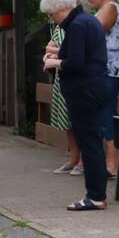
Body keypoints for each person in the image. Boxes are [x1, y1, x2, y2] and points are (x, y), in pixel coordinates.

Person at [39, 0, 109, 211]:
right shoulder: (87, 21)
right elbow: (82, 54)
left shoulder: (77, 25)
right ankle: (96, 194)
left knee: (89, 143)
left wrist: (53, 63)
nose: (53, 19)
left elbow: (77, 62)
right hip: (93, 86)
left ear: (62, 8)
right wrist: (58, 54)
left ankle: (96, 196)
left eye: (52, 13)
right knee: (92, 141)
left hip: (84, 89)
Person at [83, 0, 119, 178]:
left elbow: (94, 32)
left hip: (111, 68)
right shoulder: (101, 10)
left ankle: (112, 164)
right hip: (101, 68)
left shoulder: (110, 7)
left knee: (107, 112)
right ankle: (106, 162)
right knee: (101, 112)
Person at [46, 22, 82, 175]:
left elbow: (77, 54)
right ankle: (74, 158)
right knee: (67, 120)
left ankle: (83, 161)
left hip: (78, 79)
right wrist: (61, 52)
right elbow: (49, 47)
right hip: (61, 77)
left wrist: (59, 52)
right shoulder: (59, 27)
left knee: (80, 121)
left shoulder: (80, 26)